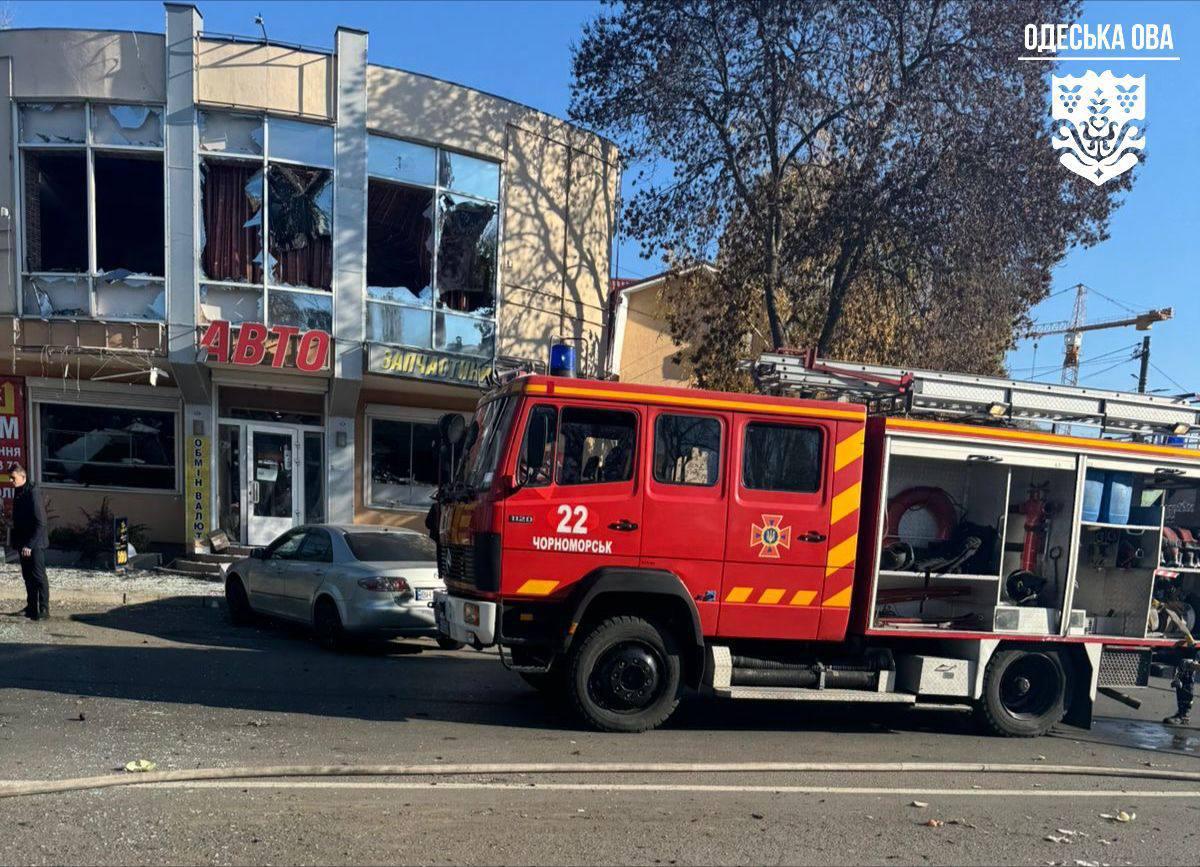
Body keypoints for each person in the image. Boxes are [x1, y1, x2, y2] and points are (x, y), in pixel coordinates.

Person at [9, 462, 49, 620]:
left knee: (38, 576)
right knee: (27, 576)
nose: (11, 481)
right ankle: (31, 607)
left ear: (23, 476)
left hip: (35, 542)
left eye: (13, 478)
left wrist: (30, 545)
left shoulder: (33, 492)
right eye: (10, 478)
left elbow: (41, 523)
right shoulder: (18, 491)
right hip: (23, 541)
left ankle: (44, 608)